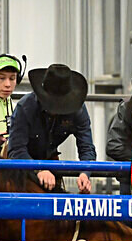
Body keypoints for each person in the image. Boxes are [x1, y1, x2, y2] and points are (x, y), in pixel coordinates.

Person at [8, 64, 96, 193]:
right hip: (23, 165)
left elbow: (87, 147)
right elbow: (16, 149)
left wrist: (85, 173)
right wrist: (39, 168)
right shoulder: (25, 108)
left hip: (50, 161)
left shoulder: (78, 110)